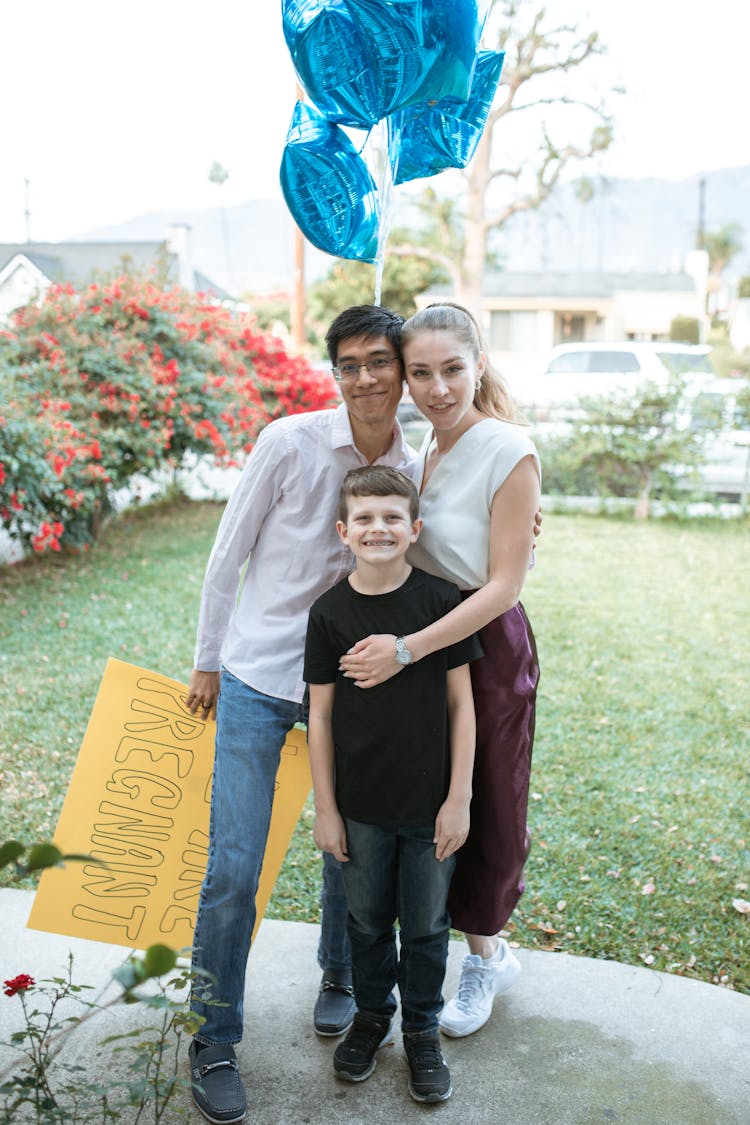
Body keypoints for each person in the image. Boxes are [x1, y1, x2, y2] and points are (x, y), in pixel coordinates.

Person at [185, 306, 413, 1124]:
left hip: (352, 684)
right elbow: (228, 550)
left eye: (379, 360)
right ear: (335, 373)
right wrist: (209, 659)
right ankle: (211, 1035)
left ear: (400, 367)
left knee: (346, 847)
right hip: (256, 671)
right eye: (348, 363)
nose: (365, 377)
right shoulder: (289, 441)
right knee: (235, 865)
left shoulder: (416, 462)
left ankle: (340, 972)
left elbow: (447, 552)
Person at [339, 302, 541, 1040]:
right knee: (430, 797)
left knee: (487, 799)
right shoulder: (424, 450)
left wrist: (409, 648)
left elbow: (503, 584)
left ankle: (486, 955)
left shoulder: (507, 447)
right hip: (420, 642)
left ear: (478, 364)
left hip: (481, 643)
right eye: (419, 372)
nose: (436, 387)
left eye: (451, 369)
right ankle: (460, 946)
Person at [304, 465, 481, 1103]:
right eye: (366, 518)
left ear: (414, 529)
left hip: (433, 803)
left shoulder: (440, 603)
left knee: (429, 927)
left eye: (392, 518)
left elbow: (464, 706)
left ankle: (422, 1033)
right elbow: (318, 717)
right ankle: (373, 1018)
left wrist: (459, 797)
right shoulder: (328, 613)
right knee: (369, 922)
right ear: (343, 531)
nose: (379, 528)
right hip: (361, 808)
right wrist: (326, 810)